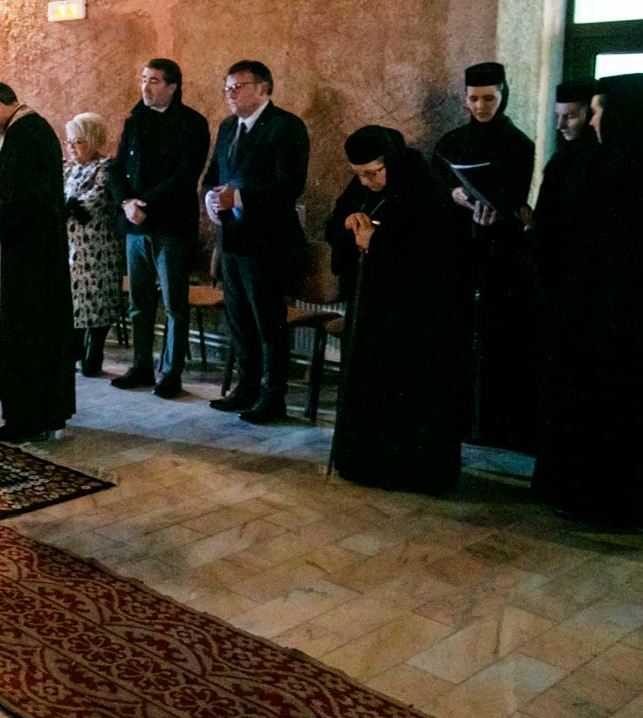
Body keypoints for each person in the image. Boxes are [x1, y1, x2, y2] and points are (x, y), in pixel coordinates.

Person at [535, 74, 643, 529]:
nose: (593, 120)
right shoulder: (611, 161)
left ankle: (614, 502)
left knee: (618, 410)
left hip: (625, 315)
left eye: (599, 111)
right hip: (601, 309)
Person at [323, 126, 469, 492]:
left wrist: (379, 241)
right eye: (359, 174)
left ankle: (409, 470)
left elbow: (436, 253)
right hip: (371, 308)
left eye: (374, 172)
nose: (367, 181)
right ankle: (365, 462)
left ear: (393, 161)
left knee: (408, 392)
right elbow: (334, 224)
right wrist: (349, 222)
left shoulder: (427, 189)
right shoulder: (362, 187)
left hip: (415, 316)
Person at [433, 60, 536, 449]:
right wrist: (452, 193)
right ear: (465, 99)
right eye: (474, 99)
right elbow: (435, 183)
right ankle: (458, 416)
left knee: (497, 337)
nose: (481, 106)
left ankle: (492, 423)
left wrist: (496, 207)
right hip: (458, 245)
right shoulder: (450, 143)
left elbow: (514, 194)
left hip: (500, 250)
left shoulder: (519, 143)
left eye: (489, 98)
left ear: (503, 96)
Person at [203, 59, 310, 423]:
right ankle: (245, 387)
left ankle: (273, 396)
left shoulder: (284, 126)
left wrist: (241, 197)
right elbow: (213, 177)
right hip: (232, 239)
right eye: (227, 87)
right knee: (239, 320)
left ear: (264, 88)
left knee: (269, 322)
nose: (231, 93)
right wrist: (211, 201)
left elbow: (290, 184)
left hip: (268, 242)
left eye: (239, 86)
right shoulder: (228, 126)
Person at [0, 81, 75, 442]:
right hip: (35, 250)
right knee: (37, 334)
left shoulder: (23, 134)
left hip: (28, 255)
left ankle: (25, 419)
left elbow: (23, 199)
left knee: (25, 334)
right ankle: (43, 412)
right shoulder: (29, 129)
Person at [105, 58, 211, 397]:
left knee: (174, 305)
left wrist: (143, 205)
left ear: (172, 86)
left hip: (172, 227)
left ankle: (170, 374)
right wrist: (125, 202)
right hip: (135, 226)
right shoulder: (136, 120)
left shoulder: (192, 123)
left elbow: (184, 177)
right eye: (143, 79)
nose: (145, 87)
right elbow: (117, 168)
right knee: (139, 302)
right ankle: (141, 366)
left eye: (153, 81)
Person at [529, 80, 599, 465]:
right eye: (557, 117)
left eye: (570, 116)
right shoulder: (563, 160)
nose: (561, 126)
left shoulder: (599, 161)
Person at [64, 112, 122, 377]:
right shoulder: (68, 167)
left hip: (97, 247)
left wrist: (68, 206)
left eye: (79, 143)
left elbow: (92, 201)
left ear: (94, 141)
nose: (72, 148)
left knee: (97, 300)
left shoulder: (106, 168)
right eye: (69, 142)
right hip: (70, 246)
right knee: (73, 300)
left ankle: (94, 351)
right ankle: (74, 348)